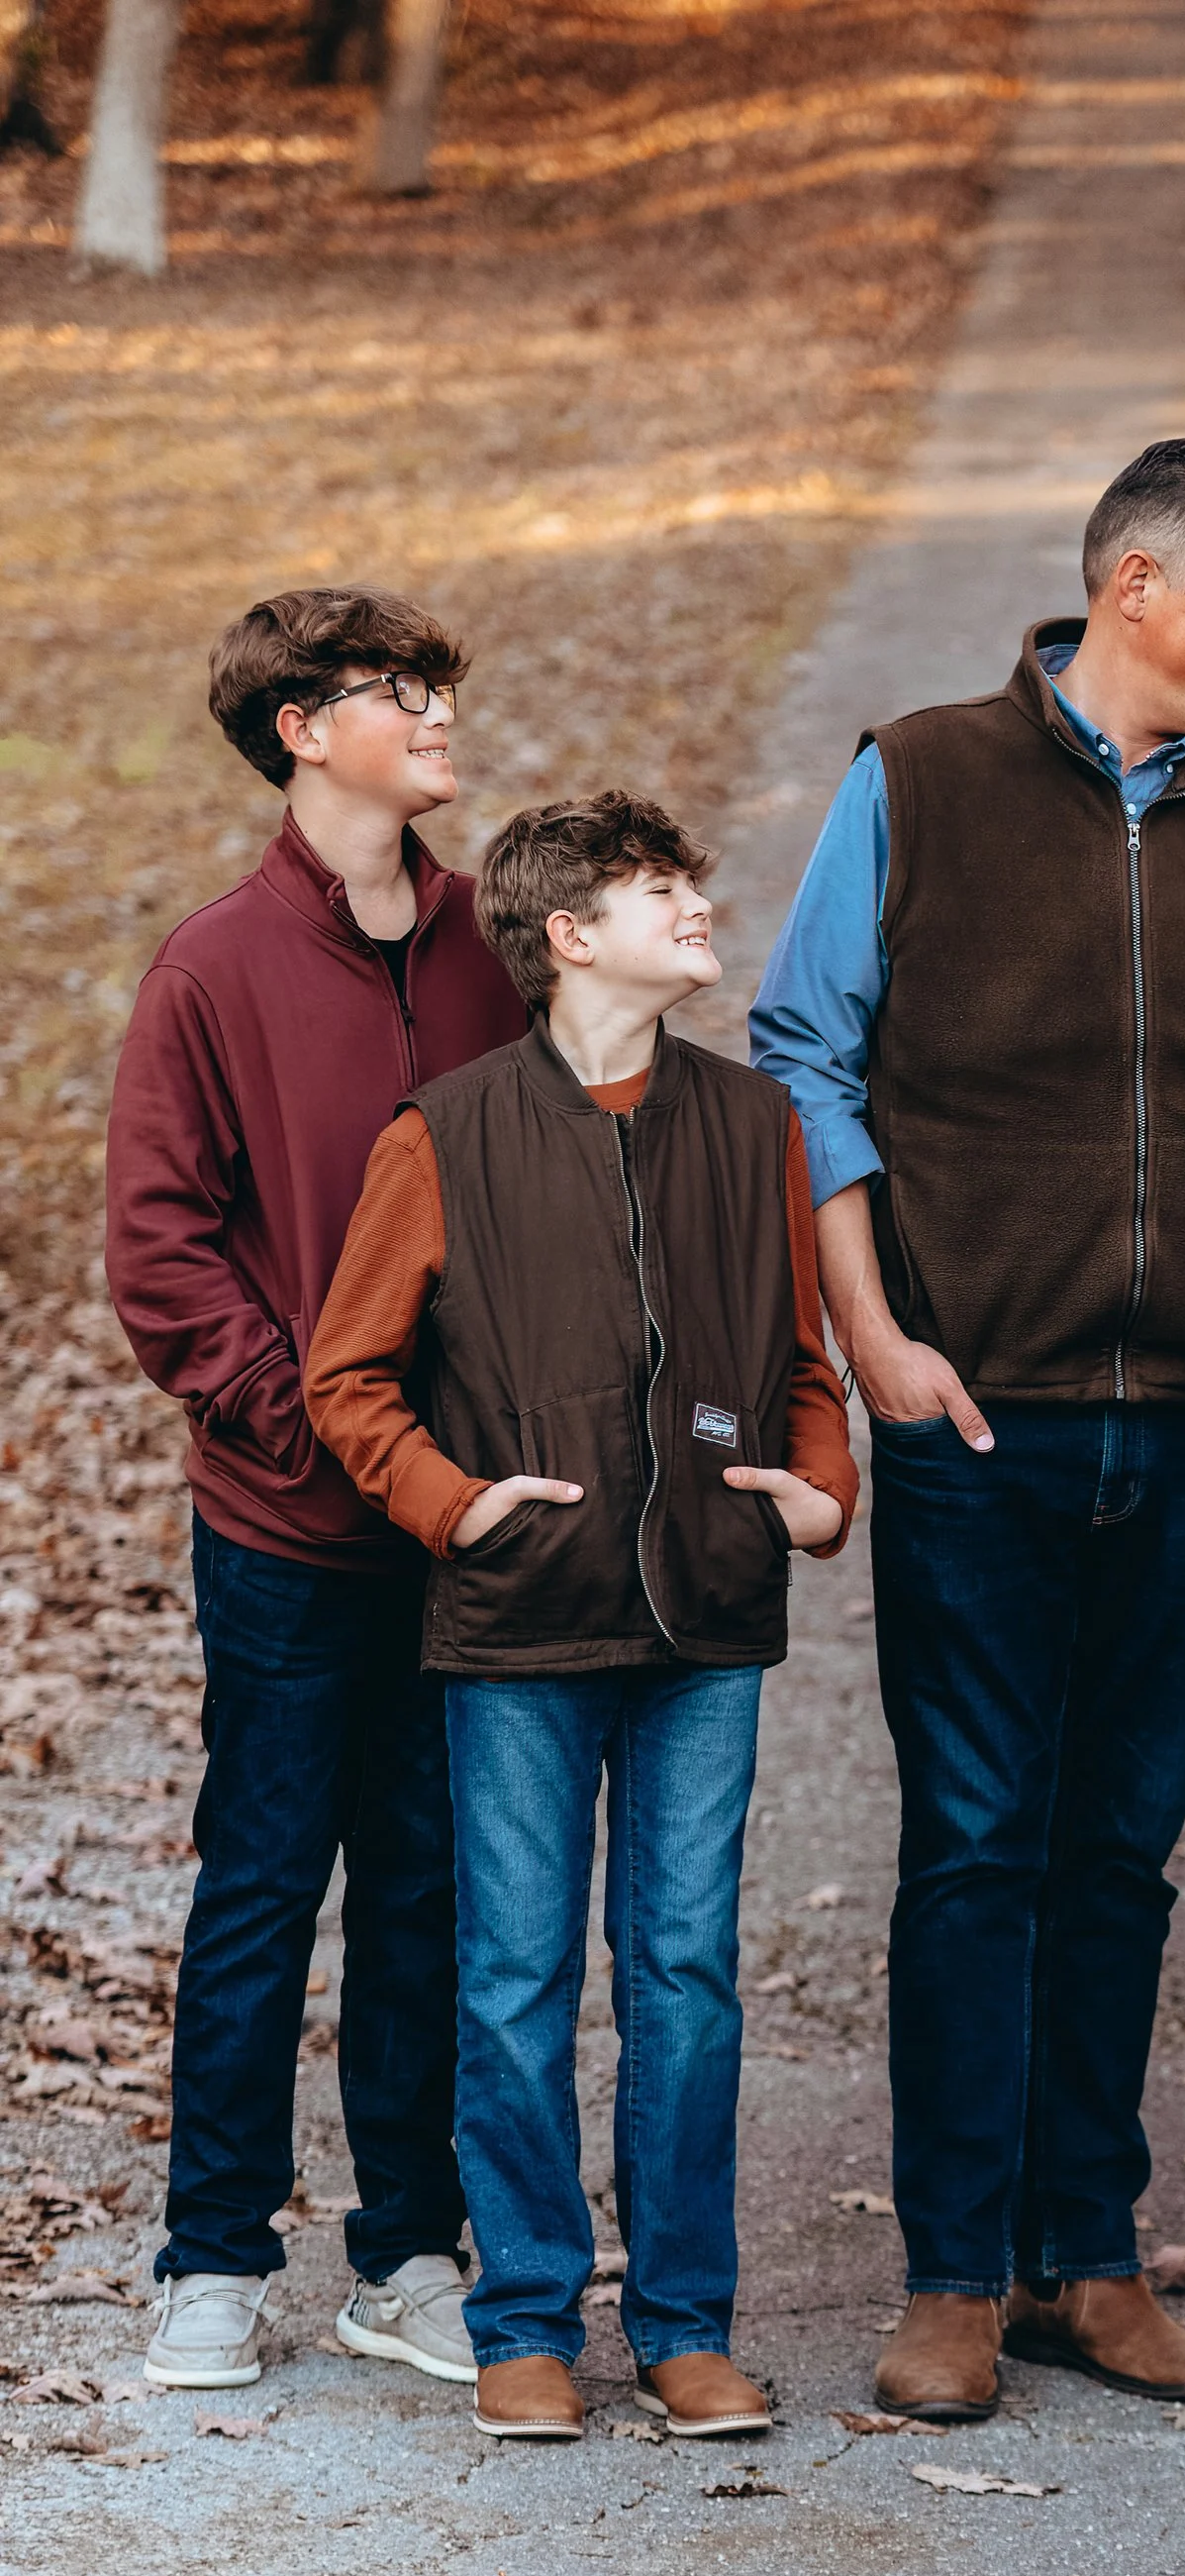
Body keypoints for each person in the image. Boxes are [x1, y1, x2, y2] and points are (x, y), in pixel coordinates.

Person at [749, 436, 1185, 2424]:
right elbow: (805, 1049)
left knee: (1122, 1849)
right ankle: (955, 2271)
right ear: (1135, 583)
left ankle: (1087, 2259)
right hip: (976, 1411)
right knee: (972, 1844)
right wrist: (874, 1339)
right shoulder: (919, 778)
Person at [305, 793, 858, 2440]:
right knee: (514, 1977)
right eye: (657, 888)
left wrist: (823, 1490)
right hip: (518, 1625)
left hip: (710, 1617)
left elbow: (802, 1360)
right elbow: (348, 1375)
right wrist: (451, 1502)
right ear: (568, 935)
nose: (697, 908)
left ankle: (685, 2322)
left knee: (686, 1973)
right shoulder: (446, 1134)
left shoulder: (752, 1120)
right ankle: (528, 2317)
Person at [105, 588, 529, 2395]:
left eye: (439, 685)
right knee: (265, 1882)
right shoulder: (213, 969)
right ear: (299, 728)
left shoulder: (495, 947)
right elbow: (160, 1253)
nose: (436, 713)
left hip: (469, 1524)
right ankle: (211, 2256)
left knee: (430, 1888)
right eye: (397, 690)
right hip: (288, 1527)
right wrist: (314, 1428)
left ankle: (410, 2252)